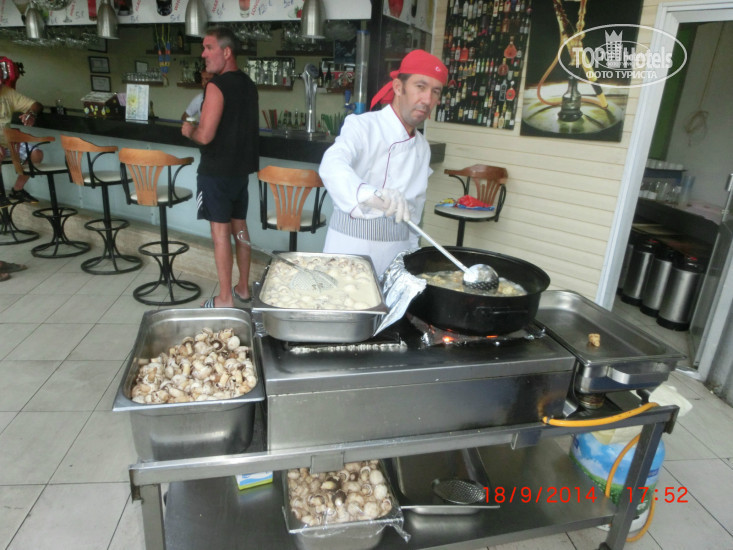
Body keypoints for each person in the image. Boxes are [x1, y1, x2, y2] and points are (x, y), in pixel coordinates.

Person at [318, 49, 448, 275]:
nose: (427, 99)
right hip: (348, 254)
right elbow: (332, 163)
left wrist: (412, 258)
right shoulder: (361, 126)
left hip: (396, 258)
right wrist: (368, 194)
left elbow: (414, 212)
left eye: (435, 91)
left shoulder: (422, 147)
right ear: (398, 87)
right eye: (420, 86)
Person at [181, 27, 259, 308]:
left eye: (209, 47)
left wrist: (188, 130)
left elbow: (205, 135)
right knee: (240, 230)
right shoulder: (248, 84)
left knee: (220, 235)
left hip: (215, 174)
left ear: (226, 52)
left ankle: (225, 298)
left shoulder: (216, 86)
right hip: (239, 175)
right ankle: (243, 288)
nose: (203, 54)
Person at [0, 56, 43, 209]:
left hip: (8, 142)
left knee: (36, 154)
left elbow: (36, 105)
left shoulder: (7, 92)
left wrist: (31, 114)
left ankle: (17, 190)